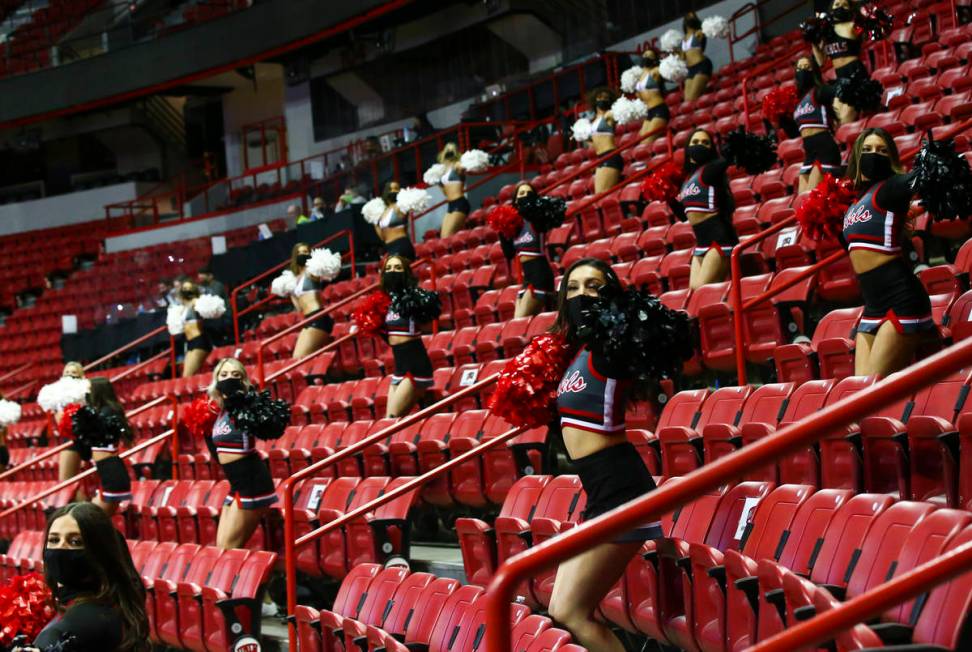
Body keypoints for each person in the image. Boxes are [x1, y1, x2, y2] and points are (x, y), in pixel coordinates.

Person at [542, 259, 675, 652]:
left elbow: (650, 328)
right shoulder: (580, 352)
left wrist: (621, 309)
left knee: (570, 612)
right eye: (575, 286)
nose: (583, 294)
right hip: (599, 493)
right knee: (560, 610)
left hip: (623, 490)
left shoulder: (611, 346)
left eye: (594, 286)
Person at [841, 128, 934, 375]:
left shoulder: (891, 187)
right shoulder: (857, 200)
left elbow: (919, 178)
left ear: (891, 157)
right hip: (872, 305)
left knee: (871, 394)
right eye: (868, 150)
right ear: (858, 157)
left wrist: (933, 161)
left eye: (882, 150)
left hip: (901, 300)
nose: (874, 155)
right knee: (858, 396)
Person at [26, 502, 148, 650]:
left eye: (75, 541)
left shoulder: (81, 621)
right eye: (54, 540)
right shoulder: (110, 604)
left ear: (100, 551)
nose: (60, 548)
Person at [203, 358, 278, 548]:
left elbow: (270, 426)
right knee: (222, 546)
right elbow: (217, 454)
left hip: (252, 482)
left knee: (227, 547)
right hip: (236, 484)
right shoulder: (220, 412)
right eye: (224, 375)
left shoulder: (247, 406)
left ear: (243, 381)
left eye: (236, 375)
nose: (229, 379)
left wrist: (246, 400)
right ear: (216, 379)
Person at [370, 256, 438, 418]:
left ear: (406, 272)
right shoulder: (386, 302)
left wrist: (417, 299)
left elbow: (429, 314)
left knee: (392, 418)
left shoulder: (414, 297)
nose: (393, 272)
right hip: (399, 366)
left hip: (416, 365)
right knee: (388, 421)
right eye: (389, 268)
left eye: (398, 268)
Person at [672, 128, 737, 289]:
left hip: (719, 239)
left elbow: (725, 161)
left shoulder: (711, 170)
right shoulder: (687, 179)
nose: (699, 146)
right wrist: (668, 198)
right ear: (688, 147)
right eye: (695, 142)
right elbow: (684, 216)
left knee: (703, 289)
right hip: (700, 243)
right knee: (694, 292)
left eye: (705, 143)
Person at [60, 377, 133, 516]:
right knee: (96, 520)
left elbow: (90, 441)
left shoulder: (107, 413)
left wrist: (77, 426)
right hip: (108, 470)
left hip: (111, 471)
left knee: (93, 519)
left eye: (89, 391)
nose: (87, 395)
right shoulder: (104, 412)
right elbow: (86, 453)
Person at [499, 182, 558, 318]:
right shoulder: (515, 225)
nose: (525, 196)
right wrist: (502, 230)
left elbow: (548, 216)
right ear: (515, 200)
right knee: (517, 323)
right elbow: (509, 254)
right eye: (521, 194)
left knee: (521, 320)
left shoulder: (537, 220)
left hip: (540, 275)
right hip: (527, 278)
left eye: (528, 193)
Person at [793, 56, 842, 193]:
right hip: (809, 153)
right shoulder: (798, 101)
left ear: (813, 71)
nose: (803, 71)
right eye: (799, 68)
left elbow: (837, 91)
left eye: (807, 67)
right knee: (800, 200)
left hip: (824, 149)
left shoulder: (819, 91)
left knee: (810, 198)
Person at [812, 0, 865, 124]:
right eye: (837, 4)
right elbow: (821, 61)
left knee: (845, 119)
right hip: (841, 77)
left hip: (855, 74)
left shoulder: (853, 25)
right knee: (836, 120)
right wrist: (813, 42)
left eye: (844, 5)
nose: (840, 7)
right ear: (831, 8)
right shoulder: (826, 31)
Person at [289, 242, 334, 359]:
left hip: (319, 317)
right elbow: (299, 308)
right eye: (299, 252)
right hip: (307, 319)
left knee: (298, 357)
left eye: (305, 252)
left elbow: (321, 271)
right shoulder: (295, 279)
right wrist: (291, 293)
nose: (302, 254)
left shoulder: (311, 272)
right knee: (296, 358)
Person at [588, 87, 623, 194]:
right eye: (600, 97)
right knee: (599, 196)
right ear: (594, 100)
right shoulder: (593, 122)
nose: (602, 100)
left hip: (610, 156)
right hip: (600, 158)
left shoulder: (608, 115)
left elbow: (615, 115)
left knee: (601, 194)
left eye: (606, 98)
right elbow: (592, 145)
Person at [177, 280, 213, 378]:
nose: (187, 290)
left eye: (189, 288)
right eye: (184, 288)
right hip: (190, 342)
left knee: (187, 376)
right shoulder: (183, 306)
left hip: (199, 340)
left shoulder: (196, 302)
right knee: (186, 376)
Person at [437, 143, 472, 238]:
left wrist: (462, 165)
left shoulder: (457, 165)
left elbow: (462, 167)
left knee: (447, 236)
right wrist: (439, 184)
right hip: (450, 205)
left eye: (451, 149)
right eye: (447, 149)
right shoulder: (444, 170)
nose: (449, 151)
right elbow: (445, 193)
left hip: (460, 203)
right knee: (443, 237)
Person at [374, 180, 416, 259]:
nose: (394, 191)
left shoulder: (399, 207)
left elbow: (409, 207)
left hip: (401, 245)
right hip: (389, 247)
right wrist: (375, 224)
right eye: (391, 189)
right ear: (386, 191)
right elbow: (382, 237)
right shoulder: (383, 212)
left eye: (397, 188)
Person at [634, 48, 669, 143]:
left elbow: (668, 71)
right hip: (649, 112)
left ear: (654, 60)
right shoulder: (639, 76)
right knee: (641, 143)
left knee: (647, 142)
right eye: (645, 55)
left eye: (650, 56)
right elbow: (640, 97)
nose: (646, 57)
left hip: (659, 109)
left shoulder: (655, 71)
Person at [681, 11, 713, 101]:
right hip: (690, 70)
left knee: (692, 98)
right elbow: (683, 58)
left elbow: (705, 33)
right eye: (689, 16)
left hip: (701, 65)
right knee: (687, 99)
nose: (691, 18)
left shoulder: (698, 33)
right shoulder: (683, 39)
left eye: (693, 16)